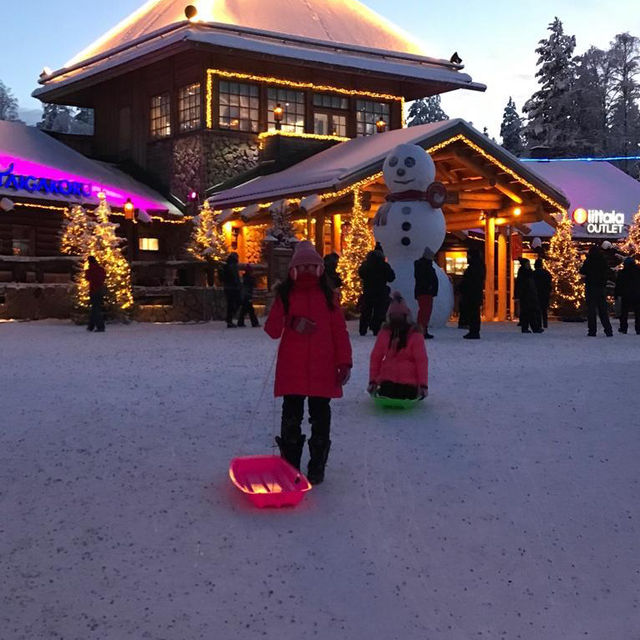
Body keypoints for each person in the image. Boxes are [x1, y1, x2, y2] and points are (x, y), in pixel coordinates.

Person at [265, 241, 352, 485]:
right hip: (293, 370)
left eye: (310, 266)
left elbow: (340, 332)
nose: (305, 271)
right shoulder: (286, 295)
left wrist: (344, 362)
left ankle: (317, 465)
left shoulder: (328, 297)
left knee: (320, 418)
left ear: (319, 269)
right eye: (300, 266)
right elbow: (272, 330)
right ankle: (290, 464)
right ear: (293, 270)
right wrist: (290, 321)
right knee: (291, 418)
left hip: (323, 369)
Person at [368, 292, 428, 400]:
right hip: (387, 378)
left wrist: (423, 385)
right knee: (387, 392)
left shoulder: (414, 336)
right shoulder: (385, 334)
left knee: (404, 394)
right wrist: (373, 381)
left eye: (400, 316)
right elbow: (376, 357)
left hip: (409, 381)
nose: (397, 319)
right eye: (394, 316)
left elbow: (421, 361)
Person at [358, 249, 396, 336]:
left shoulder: (365, 265)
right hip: (381, 291)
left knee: (366, 310)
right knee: (379, 311)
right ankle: (376, 329)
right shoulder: (384, 265)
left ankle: (363, 329)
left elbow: (361, 274)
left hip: (368, 290)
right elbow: (391, 277)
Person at [580, 245, 613, 337]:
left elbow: (582, 271)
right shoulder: (603, 260)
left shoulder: (589, 260)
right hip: (601, 287)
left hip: (591, 287)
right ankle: (608, 330)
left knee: (591, 310)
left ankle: (592, 331)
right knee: (603, 310)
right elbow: (608, 271)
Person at [459, 249, 485, 339]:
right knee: (474, 313)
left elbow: (469, 281)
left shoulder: (473, 267)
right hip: (475, 294)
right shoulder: (479, 266)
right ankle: (474, 331)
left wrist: (461, 287)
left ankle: (474, 331)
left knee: (473, 313)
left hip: (471, 294)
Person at [414, 246, 439, 339]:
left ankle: (423, 329)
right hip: (425, 292)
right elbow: (424, 278)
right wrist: (429, 287)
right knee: (424, 312)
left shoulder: (424, 265)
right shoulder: (425, 265)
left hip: (426, 292)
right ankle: (421, 330)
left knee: (425, 312)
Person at [514, 258, 543, 333]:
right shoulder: (524, 273)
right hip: (526, 295)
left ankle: (532, 328)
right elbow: (519, 285)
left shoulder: (529, 273)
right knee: (527, 312)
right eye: (527, 264)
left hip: (530, 295)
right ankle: (529, 328)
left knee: (530, 312)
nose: (529, 265)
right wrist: (518, 295)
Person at [614, 257, 640, 335]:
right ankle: (638, 328)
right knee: (638, 313)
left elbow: (618, 285)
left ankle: (623, 328)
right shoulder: (638, 272)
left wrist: (616, 294)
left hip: (626, 295)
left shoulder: (622, 273)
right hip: (637, 295)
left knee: (624, 313)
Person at [220, 252, 241, 328]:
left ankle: (229, 319)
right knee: (237, 302)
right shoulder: (233, 266)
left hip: (227, 287)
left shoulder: (226, 265)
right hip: (233, 288)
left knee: (230, 304)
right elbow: (235, 277)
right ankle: (229, 319)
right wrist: (238, 285)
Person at [85, 255, 106, 332]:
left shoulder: (90, 270)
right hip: (100, 290)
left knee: (95, 309)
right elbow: (103, 277)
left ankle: (100, 326)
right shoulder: (100, 269)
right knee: (95, 308)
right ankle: (91, 326)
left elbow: (87, 278)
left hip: (94, 290)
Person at [534, 258, 552, 329]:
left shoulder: (534, 273)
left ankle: (538, 323)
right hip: (545, 293)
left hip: (537, 293)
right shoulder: (546, 273)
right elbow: (549, 283)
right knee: (544, 309)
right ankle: (545, 323)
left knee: (537, 309)